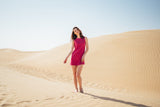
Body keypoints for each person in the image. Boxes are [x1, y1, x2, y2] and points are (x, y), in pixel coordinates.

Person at [64, 27, 89, 93]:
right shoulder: (74, 40)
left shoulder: (85, 38)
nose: (76, 31)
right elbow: (71, 50)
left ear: (79, 30)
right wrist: (66, 57)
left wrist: (84, 55)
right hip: (74, 58)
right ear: (74, 33)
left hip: (81, 58)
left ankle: (81, 88)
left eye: (76, 30)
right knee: (74, 74)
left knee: (78, 74)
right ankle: (76, 89)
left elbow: (87, 49)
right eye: (74, 31)